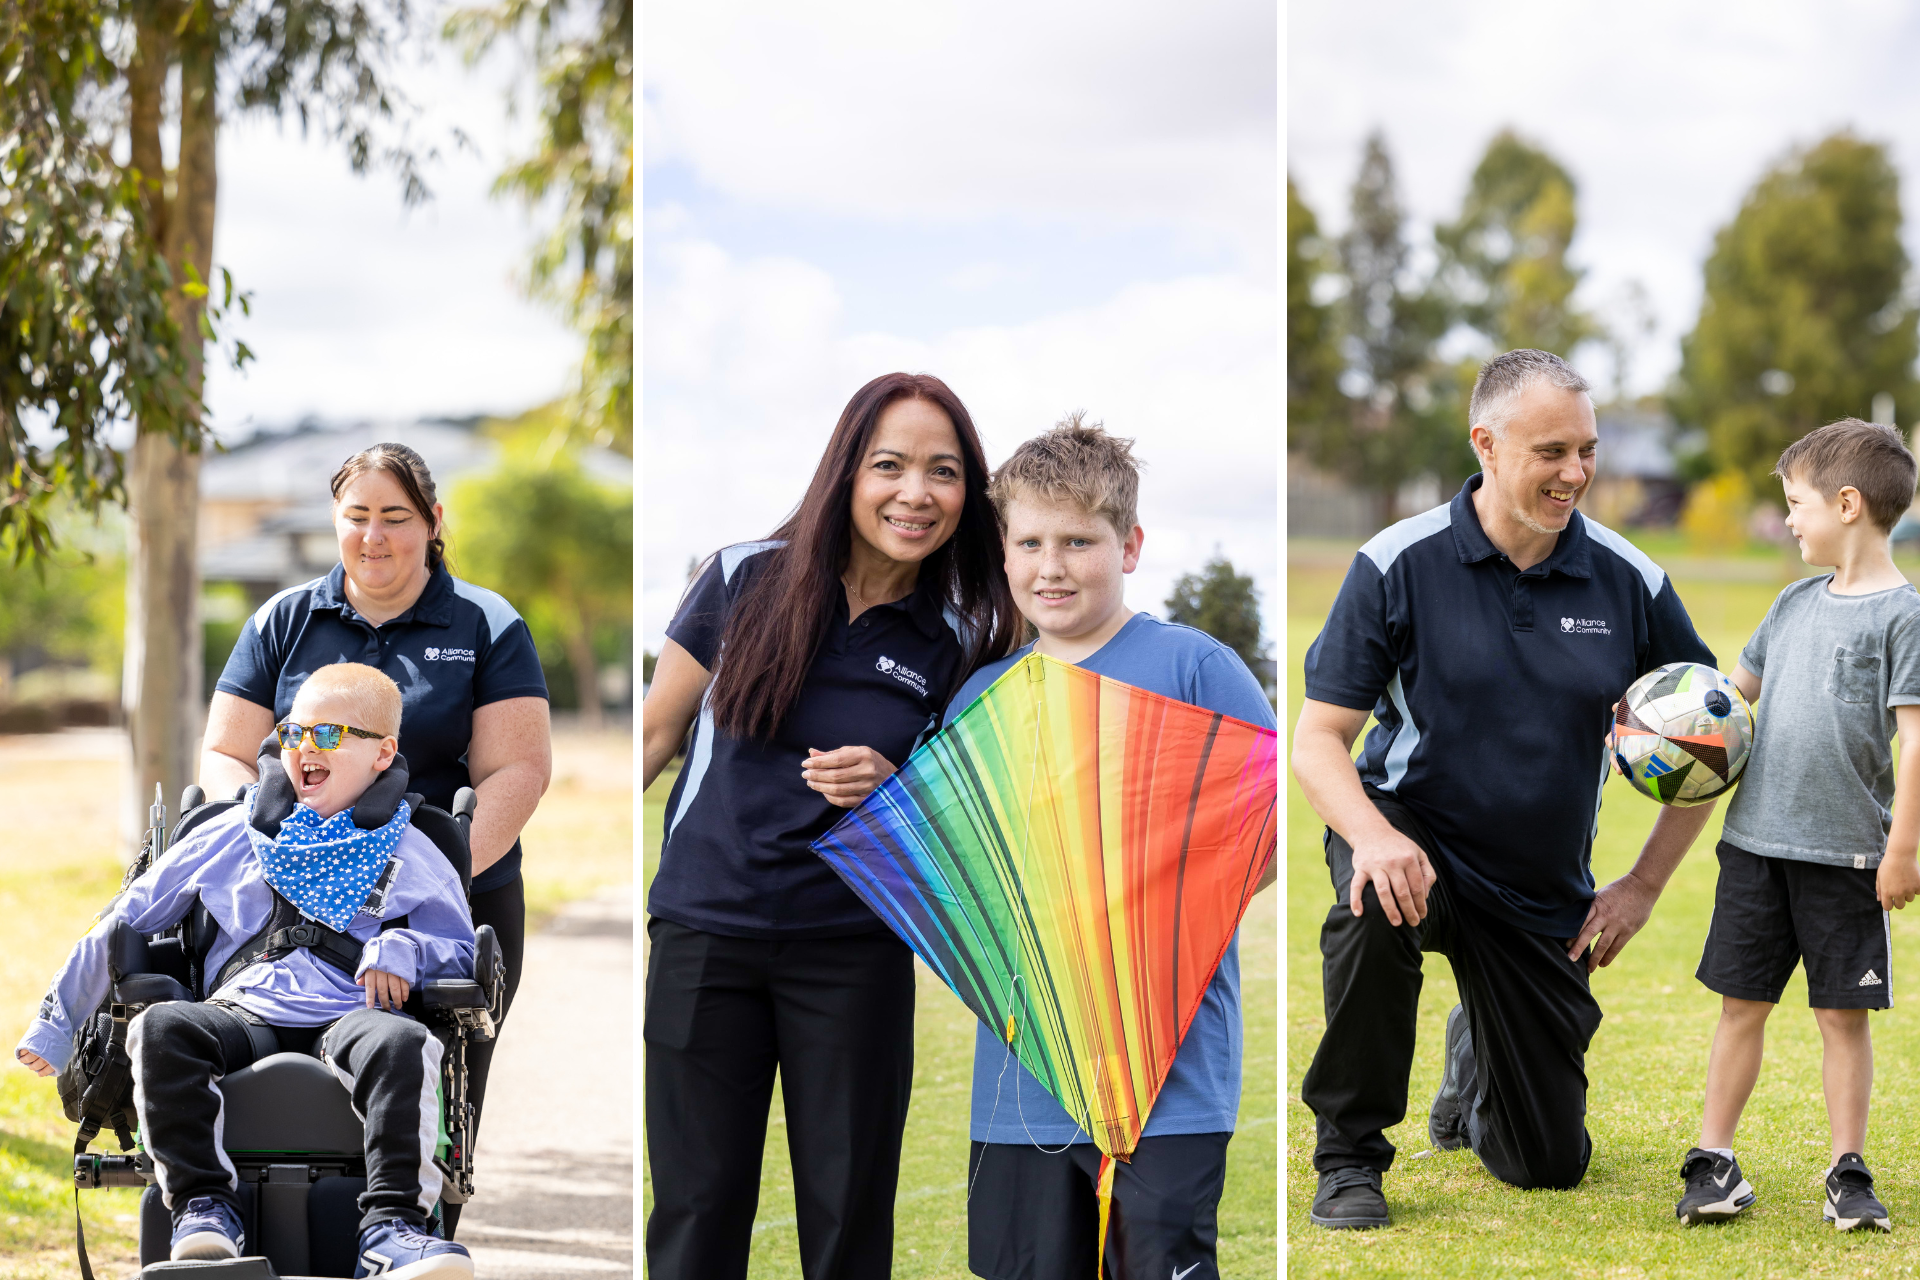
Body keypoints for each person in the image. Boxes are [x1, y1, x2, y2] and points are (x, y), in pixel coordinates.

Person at [1295, 349, 1721, 1228]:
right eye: (1552, 452)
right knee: (1374, 905)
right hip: (1415, 839)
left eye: (1588, 451)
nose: (1577, 473)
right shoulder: (1396, 562)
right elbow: (1318, 740)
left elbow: (1712, 741)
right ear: (1486, 444)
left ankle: (1475, 1068)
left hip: (1538, 882)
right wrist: (1372, 837)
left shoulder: (1630, 580)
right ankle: (1348, 1157)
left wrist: (1641, 884)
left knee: (1550, 1166)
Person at [641, 372, 1021, 1280]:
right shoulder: (742, 575)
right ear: (847, 471)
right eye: (890, 465)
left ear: (968, 493)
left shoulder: (969, 632)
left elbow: (971, 810)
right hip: (705, 935)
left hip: (854, 950)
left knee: (849, 1212)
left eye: (944, 471)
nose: (915, 493)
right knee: (697, 1209)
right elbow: (656, 730)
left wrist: (896, 784)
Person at [938, 416, 1275, 1280]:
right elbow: (963, 867)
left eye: (1078, 541)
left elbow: (1264, 839)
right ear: (1004, 551)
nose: (1052, 567)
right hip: (1022, 1094)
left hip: (1168, 1085)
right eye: (1031, 542)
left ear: (1128, 546)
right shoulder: (980, 697)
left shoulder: (1196, 670)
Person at [17, 664, 477, 1277]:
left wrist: (407, 951)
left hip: (355, 1013)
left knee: (403, 1042)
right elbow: (122, 920)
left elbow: (464, 953)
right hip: (244, 1011)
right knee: (160, 1028)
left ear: (382, 754)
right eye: (293, 733)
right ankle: (205, 1210)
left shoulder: (413, 849)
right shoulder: (232, 833)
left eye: (330, 735)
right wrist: (56, 1022)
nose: (306, 748)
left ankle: (392, 1230)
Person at [198, 442, 550, 1232]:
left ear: (432, 523)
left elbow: (517, 771)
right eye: (356, 517)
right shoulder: (283, 620)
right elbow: (225, 753)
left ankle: (410, 1238)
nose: (374, 537)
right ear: (335, 522)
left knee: (434, 1110)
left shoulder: (486, 624)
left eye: (395, 517)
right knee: (269, 1077)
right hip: (286, 903)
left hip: (445, 901)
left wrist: (427, 878)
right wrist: (264, 846)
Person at [1673, 420, 1920, 1232]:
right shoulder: (1790, 601)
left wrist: (1902, 849)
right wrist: (1650, 728)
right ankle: (1714, 1161)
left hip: (1847, 855)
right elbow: (1727, 699)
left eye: (1796, 505)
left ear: (1847, 504)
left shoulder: (1904, 617)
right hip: (1753, 848)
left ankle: (1848, 1171)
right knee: (1739, 1004)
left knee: (1841, 1019)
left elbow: (1916, 742)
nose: (1788, 520)